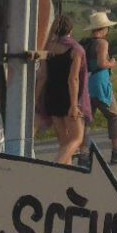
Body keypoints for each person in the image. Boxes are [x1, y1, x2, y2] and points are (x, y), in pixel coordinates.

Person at [80, 11, 117, 164]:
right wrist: (112, 63)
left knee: (87, 120)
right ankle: (116, 151)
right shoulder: (102, 43)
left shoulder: (86, 44)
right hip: (100, 84)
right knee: (113, 116)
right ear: (103, 29)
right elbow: (102, 63)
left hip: (88, 84)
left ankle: (83, 155)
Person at [35, 14, 86, 165]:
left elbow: (42, 76)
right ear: (70, 29)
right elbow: (73, 79)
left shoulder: (46, 48)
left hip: (51, 95)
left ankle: (65, 175)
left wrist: (36, 99)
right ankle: (55, 166)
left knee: (64, 142)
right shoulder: (76, 49)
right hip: (68, 96)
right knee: (77, 138)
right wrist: (74, 104)